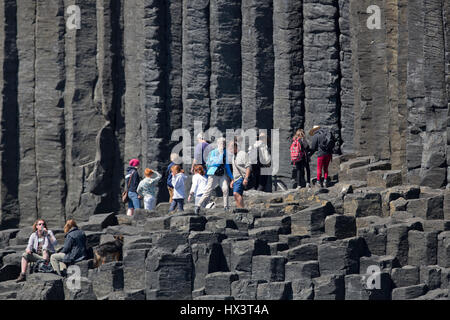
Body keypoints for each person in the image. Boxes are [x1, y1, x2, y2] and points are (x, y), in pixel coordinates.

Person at [196, 137, 233, 212]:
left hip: (222, 174)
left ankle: (226, 206)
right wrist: (221, 154)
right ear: (218, 144)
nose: (222, 145)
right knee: (208, 190)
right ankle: (198, 205)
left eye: (224, 143)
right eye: (221, 143)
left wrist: (232, 177)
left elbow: (227, 166)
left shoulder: (226, 153)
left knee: (225, 189)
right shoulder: (213, 152)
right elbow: (216, 162)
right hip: (213, 174)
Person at [230, 141, 252, 209]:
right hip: (236, 178)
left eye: (231, 148)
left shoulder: (243, 154)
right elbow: (234, 169)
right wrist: (232, 180)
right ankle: (240, 209)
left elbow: (248, 167)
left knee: (236, 193)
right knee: (236, 195)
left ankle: (241, 209)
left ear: (235, 147)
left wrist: (246, 178)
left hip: (241, 177)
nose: (230, 150)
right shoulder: (233, 156)